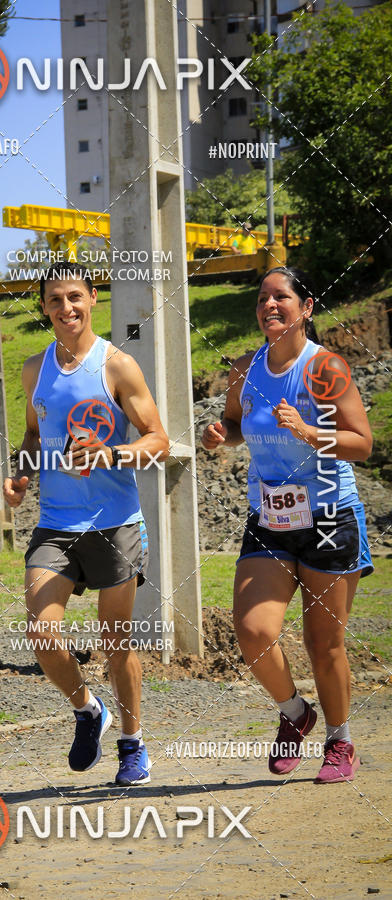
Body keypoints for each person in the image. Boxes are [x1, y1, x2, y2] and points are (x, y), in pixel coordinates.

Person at [201, 266, 373, 783]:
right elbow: (234, 423)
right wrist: (220, 434)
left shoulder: (326, 368)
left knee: (325, 645)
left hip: (328, 520)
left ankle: (340, 742)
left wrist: (308, 429)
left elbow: (361, 444)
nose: (269, 306)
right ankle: (296, 713)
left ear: (307, 307)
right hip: (270, 519)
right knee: (254, 632)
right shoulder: (246, 368)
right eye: (261, 300)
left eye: (281, 297)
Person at [3, 261, 169, 786]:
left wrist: (111, 455)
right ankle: (86, 709)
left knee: (116, 642)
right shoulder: (35, 370)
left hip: (115, 522)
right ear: (45, 308)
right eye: (54, 300)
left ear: (93, 297)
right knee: (41, 633)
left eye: (75, 296)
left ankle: (132, 744)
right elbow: (33, 436)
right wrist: (20, 475)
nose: (66, 308)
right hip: (56, 522)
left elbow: (157, 440)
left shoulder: (118, 366)